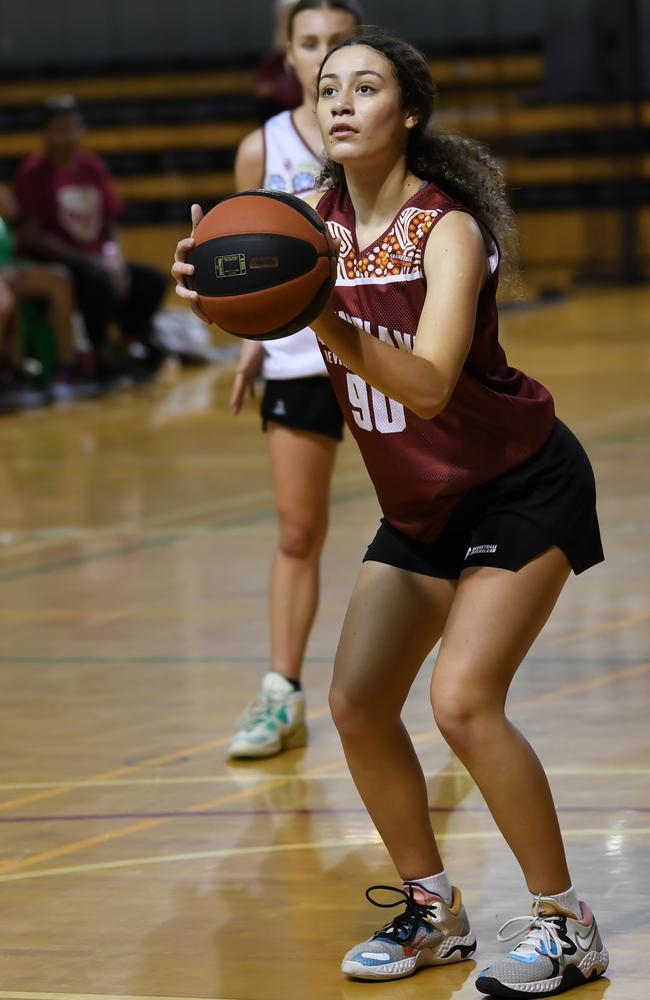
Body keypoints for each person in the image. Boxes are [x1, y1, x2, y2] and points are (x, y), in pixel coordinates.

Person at [173, 28, 609, 998]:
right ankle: (430, 911)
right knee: (356, 703)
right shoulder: (303, 223)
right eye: (327, 87)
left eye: (363, 86)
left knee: (460, 700)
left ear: (404, 112)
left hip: (517, 482)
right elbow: (260, 293)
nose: (338, 101)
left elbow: (422, 384)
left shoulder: (444, 228)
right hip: (418, 502)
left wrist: (323, 312)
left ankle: (563, 922)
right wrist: (217, 287)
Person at [224, 0, 362, 760]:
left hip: (381, 357)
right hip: (297, 362)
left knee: (427, 525)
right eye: (310, 44)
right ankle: (282, 695)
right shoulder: (262, 149)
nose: (325, 58)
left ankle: (452, 688)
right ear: (288, 58)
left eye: (341, 43)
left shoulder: (394, 141)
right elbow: (245, 263)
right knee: (297, 532)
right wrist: (249, 337)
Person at [12, 95, 167, 380]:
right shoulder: (32, 173)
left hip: (96, 258)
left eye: (74, 128)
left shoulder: (92, 166)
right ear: (45, 133)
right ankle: (97, 356)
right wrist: (85, 260)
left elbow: (110, 223)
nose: (68, 136)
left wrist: (113, 258)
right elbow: (31, 235)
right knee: (96, 284)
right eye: (60, 129)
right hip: (55, 258)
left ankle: (128, 347)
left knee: (151, 280)